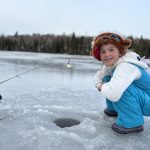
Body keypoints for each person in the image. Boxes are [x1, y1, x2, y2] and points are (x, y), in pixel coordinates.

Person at [91, 32, 150, 134]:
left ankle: (132, 121)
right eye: (102, 51)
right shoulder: (113, 63)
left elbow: (113, 93)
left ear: (120, 51)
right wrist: (99, 84)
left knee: (120, 87)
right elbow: (99, 76)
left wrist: (101, 86)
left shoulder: (126, 65)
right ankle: (114, 109)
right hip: (143, 99)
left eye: (111, 49)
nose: (107, 54)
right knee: (107, 78)